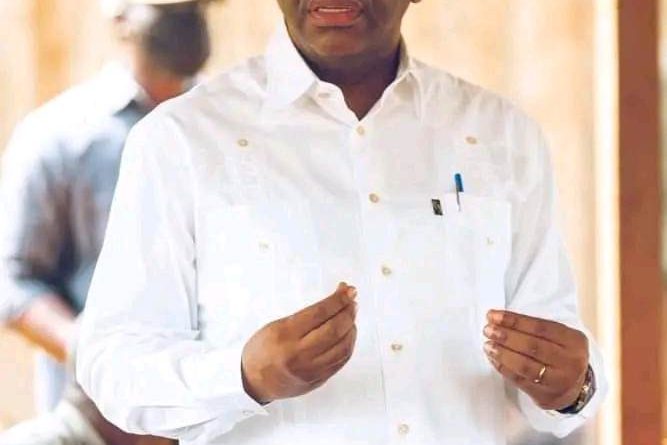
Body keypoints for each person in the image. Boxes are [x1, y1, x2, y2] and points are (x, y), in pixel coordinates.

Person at [77, 0, 608, 444]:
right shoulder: (181, 139)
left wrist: (572, 385)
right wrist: (243, 376)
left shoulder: (501, 135)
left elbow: (562, 357)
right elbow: (114, 365)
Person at [0, 0, 214, 443]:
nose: (186, 21)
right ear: (119, 18)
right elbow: (12, 280)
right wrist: (96, 354)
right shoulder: (59, 137)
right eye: (168, 11)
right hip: (98, 429)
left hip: (218, 418)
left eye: (194, 8)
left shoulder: (235, 128)